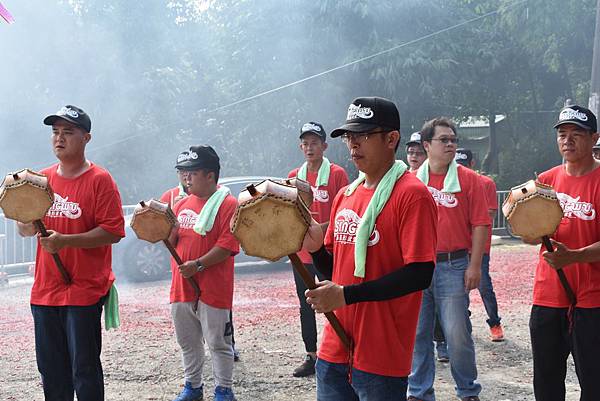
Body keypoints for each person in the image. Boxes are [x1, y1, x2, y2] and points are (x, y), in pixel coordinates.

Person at [302, 97, 438, 401]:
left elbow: (420, 274)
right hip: (335, 346)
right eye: (350, 136)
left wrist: (346, 295)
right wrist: (315, 251)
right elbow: (333, 270)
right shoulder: (345, 196)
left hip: (382, 353)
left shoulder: (412, 195)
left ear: (391, 139)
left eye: (363, 135)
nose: (353, 145)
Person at [17, 105, 125, 400]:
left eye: (68, 132)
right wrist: (22, 217)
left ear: (86, 138)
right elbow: (25, 229)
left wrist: (66, 241)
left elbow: (113, 231)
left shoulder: (100, 180)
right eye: (55, 132)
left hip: (84, 290)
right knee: (51, 371)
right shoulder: (41, 180)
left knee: (84, 370)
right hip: (45, 289)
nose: (59, 138)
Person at [408, 117, 490, 401]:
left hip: (453, 265)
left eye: (454, 140)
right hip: (417, 267)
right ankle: (418, 392)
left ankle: (468, 390)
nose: (451, 144)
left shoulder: (468, 179)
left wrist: (475, 265)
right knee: (417, 333)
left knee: (457, 334)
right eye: (444, 140)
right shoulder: (410, 180)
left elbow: (480, 223)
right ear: (426, 145)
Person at [524, 105, 600, 401]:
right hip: (548, 295)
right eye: (562, 134)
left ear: (594, 138)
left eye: (576, 134)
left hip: (593, 298)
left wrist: (576, 255)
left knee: (593, 381)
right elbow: (533, 236)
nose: (567, 140)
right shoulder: (545, 181)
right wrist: (527, 230)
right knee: (545, 380)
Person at [168, 145, 239, 401]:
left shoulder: (228, 204)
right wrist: (164, 224)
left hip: (213, 287)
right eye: (183, 173)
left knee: (219, 343)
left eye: (192, 173)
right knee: (188, 342)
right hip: (181, 286)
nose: (186, 178)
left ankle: (224, 389)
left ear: (210, 176)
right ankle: (192, 386)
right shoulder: (180, 204)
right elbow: (170, 239)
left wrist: (197, 264)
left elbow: (228, 245)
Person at [287, 121, 349, 377]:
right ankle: (311, 354)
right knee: (306, 303)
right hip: (301, 252)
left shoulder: (337, 174)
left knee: (335, 298)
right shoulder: (293, 177)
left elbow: (342, 212)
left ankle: (342, 348)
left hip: (329, 250)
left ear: (324, 146)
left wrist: (315, 230)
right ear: (301, 147)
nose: (310, 147)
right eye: (306, 143)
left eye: (315, 143)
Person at [455, 148, 504, 341]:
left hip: (479, 246)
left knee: (484, 286)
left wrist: (466, 216)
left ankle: (495, 322)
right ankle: (463, 324)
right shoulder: (450, 182)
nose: (461, 168)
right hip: (458, 246)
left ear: (472, 164)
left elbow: (490, 213)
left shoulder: (486, 183)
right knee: (459, 289)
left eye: (464, 165)